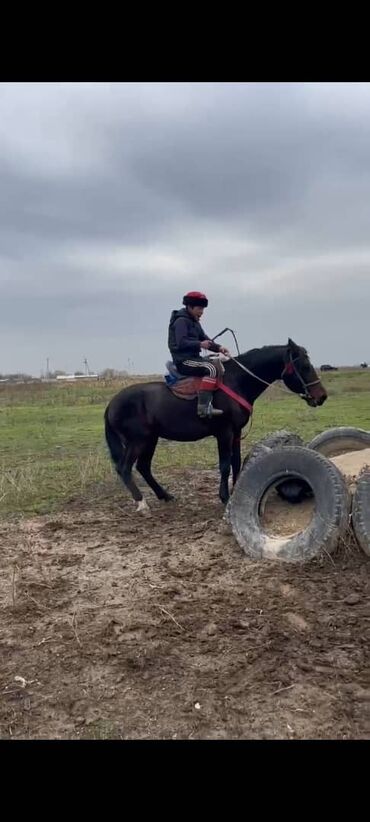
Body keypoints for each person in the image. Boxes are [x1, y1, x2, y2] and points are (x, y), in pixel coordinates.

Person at [168, 291, 230, 418]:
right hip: (184, 360)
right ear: (190, 307)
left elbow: (204, 338)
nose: (202, 312)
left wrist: (219, 348)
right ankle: (203, 407)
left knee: (218, 364)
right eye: (199, 308)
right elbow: (181, 342)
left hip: (195, 358)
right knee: (211, 369)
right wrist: (199, 344)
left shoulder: (194, 322)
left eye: (203, 309)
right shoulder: (181, 321)